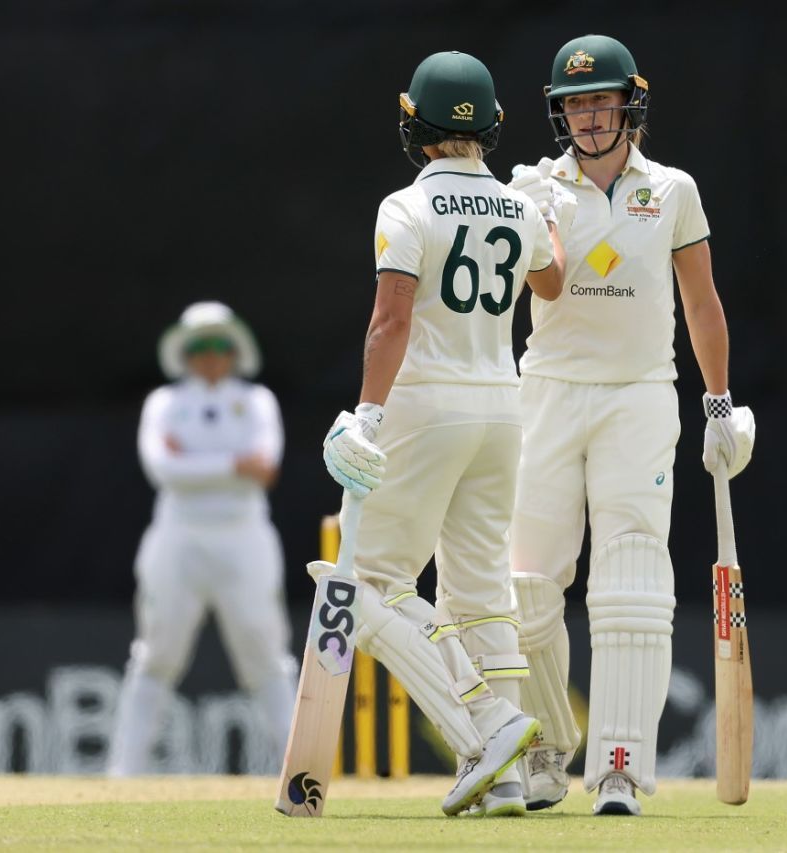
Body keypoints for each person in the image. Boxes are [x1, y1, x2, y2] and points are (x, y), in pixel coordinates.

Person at [506, 34, 756, 816]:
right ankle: (546, 747)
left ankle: (620, 763)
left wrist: (718, 403)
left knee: (633, 583)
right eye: (574, 104)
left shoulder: (672, 190)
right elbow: (532, 292)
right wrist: (533, 216)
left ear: (629, 105)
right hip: (547, 390)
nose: (587, 117)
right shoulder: (533, 186)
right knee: (527, 585)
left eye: (600, 100)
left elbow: (702, 304)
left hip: (642, 395)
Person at [320, 50, 566, 817]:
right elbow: (551, 281)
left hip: (427, 405)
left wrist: (366, 412)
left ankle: (485, 725)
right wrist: (546, 216)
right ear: (491, 125)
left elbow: (391, 319)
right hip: (502, 409)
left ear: (414, 125)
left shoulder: (405, 207)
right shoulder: (519, 208)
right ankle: (511, 775)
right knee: (480, 585)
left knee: (367, 588)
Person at [108, 301, 296, 775]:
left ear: (234, 351)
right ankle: (122, 776)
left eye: (219, 345)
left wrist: (196, 462)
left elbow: (266, 466)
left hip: (244, 538)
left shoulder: (257, 402)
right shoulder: (164, 404)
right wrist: (234, 464)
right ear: (185, 353)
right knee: (156, 654)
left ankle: (299, 772)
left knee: (266, 655)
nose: (210, 355)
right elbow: (163, 469)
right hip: (178, 539)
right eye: (200, 346)